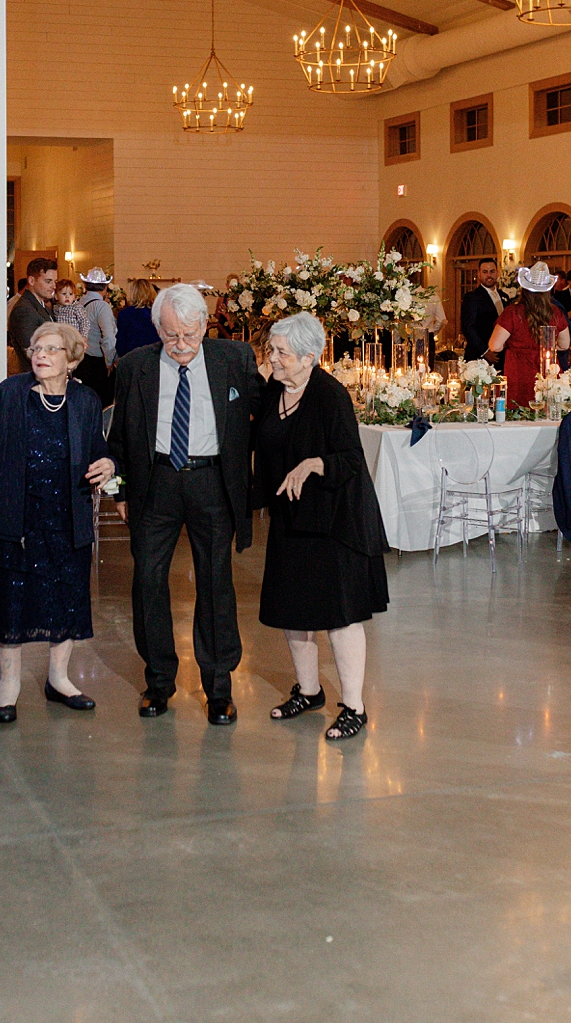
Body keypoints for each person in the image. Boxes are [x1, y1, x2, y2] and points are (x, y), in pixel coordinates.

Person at [108, 283, 262, 724]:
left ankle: (218, 689)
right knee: (148, 582)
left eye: (190, 336)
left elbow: (266, 411)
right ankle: (158, 683)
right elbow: (118, 436)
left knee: (216, 583)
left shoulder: (233, 360)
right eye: (172, 336)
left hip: (212, 483)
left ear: (204, 327)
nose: (181, 346)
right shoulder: (135, 367)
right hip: (155, 483)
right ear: (157, 328)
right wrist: (118, 492)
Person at [255, 314, 388, 742]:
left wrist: (315, 463)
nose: (272, 358)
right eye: (271, 350)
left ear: (310, 357)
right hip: (292, 517)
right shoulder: (274, 389)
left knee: (340, 616)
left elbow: (351, 457)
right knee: (294, 609)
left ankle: (354, 705)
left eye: (281, 353)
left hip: (335, 521)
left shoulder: (330, 395)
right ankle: (309, 691)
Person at [0, 321, 115, 721]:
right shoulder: (11, 392)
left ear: (71, 360)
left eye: (52, 349)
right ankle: (9, 684)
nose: (40, 354)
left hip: (67, 514)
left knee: (67, 597)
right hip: (17, 515)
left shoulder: (86, 400)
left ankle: (59, 678)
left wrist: (109, 463)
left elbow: (100, 450)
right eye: (36, 347)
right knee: (12, 599)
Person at [487, 261, 570, 408]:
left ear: (524, 288)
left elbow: (494, 345)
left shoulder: (513, 312)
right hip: (547, 370)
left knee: (520, 414)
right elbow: (564, 345)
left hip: (519, 371)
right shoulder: (556, 312)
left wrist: (510, 343)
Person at [8, 256, 58, 365]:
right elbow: (33, 352)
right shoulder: (24, 310)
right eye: (48, 281)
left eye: (55, 281)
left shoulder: (40, 304)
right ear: (31, 280)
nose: (54, 286)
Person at [78, 266, 118, 402]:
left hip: (81, 360)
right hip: (97, 364)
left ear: (85, 285)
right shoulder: (102, 306)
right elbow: (108, 337)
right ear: (105, 287)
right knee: (102, 405)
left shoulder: (79, 302)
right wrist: (109, 361)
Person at [460, 258, 503, 362]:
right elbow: (468, 327)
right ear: (479, 274)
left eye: (492, 271)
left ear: (497, 273)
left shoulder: (504, 296)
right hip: (479, 357)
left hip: (501, 356)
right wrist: (485, 351)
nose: (489, 275)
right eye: (485, 272)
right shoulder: (472, 297)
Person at [115, 278, 161, 357]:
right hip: (155, 357)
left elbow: (121, 341)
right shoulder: (158, 313)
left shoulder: (125, 314)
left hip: (132, 357)